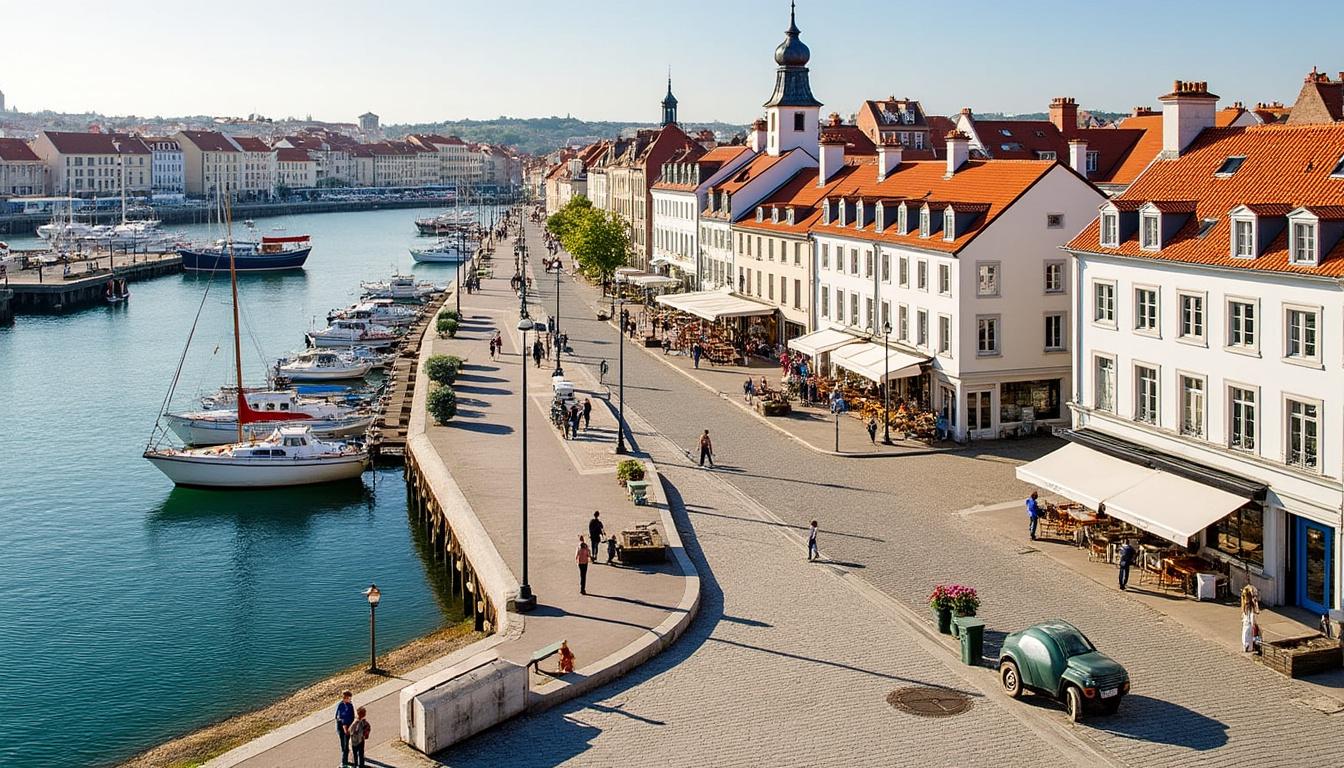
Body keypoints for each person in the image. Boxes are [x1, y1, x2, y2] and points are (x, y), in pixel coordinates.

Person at [335, 690, 355, 766]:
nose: (350, 699)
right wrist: (345, 727)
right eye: (349, 698)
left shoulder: (349, 705)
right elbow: (339, 717)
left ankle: (345, 756)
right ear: (346, 698)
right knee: (345, 744)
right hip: (344, 728)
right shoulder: (342, 706)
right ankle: (344, 762)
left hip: (347, 726)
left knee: (345, 743)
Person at [1241, 585, 1260, 652]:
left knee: (1245, 635)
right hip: (1249, 623)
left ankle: (1246, 646)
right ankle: (1249, 647)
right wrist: (1256, 603)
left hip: (1245, 623)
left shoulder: (1244, 604)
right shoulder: (1250, 605)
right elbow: (1256, 612)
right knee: (1250, 636)